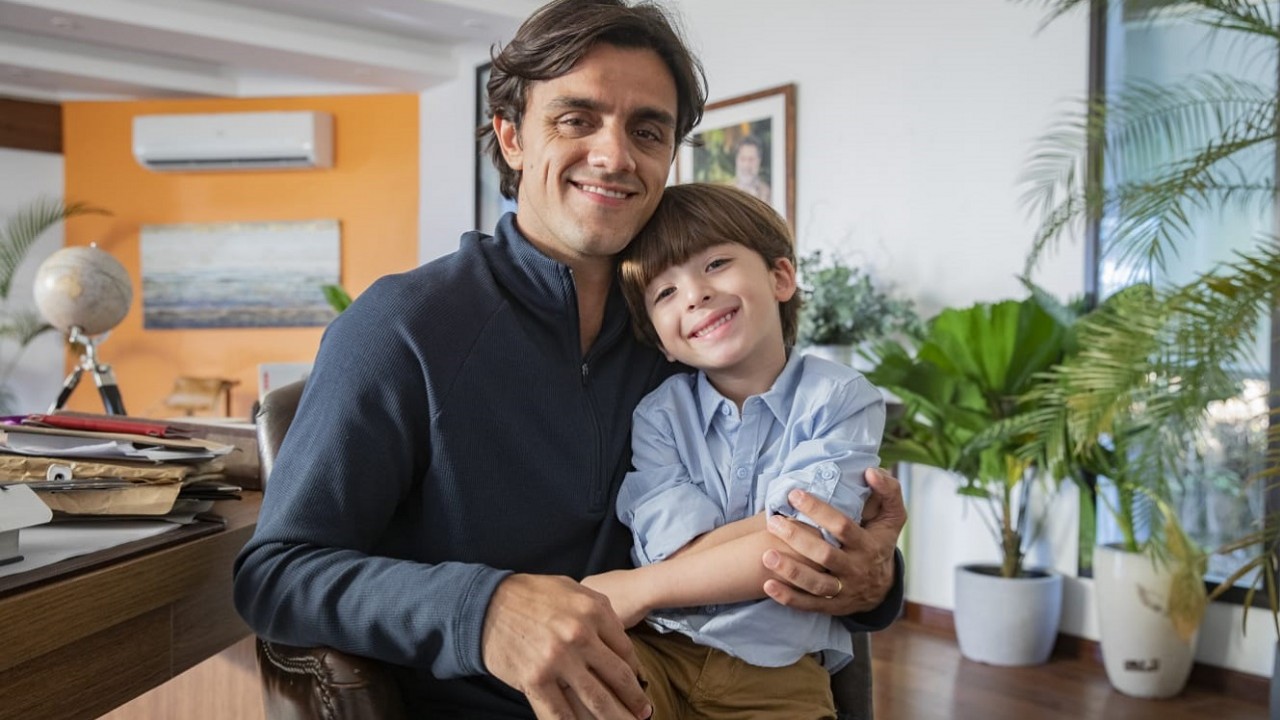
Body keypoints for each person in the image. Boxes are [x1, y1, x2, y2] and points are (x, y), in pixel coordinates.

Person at [233, 1, 907, 718]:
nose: (615, 156)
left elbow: (790, 501)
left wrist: (874, 580)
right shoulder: (402, 329)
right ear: (511, 136)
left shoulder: (691, 333)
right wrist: (485, 610)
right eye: (576, 118)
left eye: (647, 131)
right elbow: (276, 575)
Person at [581, 183, 885, 719]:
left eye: (716, 263)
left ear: (780, 276)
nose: (694, 293)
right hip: (660, 650)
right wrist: (773, 523)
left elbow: (803, 548)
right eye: (664, 293)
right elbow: (673, 549)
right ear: (657, 337)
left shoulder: (839, 397)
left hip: (781, 671)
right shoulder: (659, 415)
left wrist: (639, 588)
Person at [732, 134, 771, 203]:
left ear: (759, 161)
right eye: (743, 159)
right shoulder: (727, 191)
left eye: (751, 159)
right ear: (736, 160)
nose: (746, 165)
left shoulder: (768, 193)